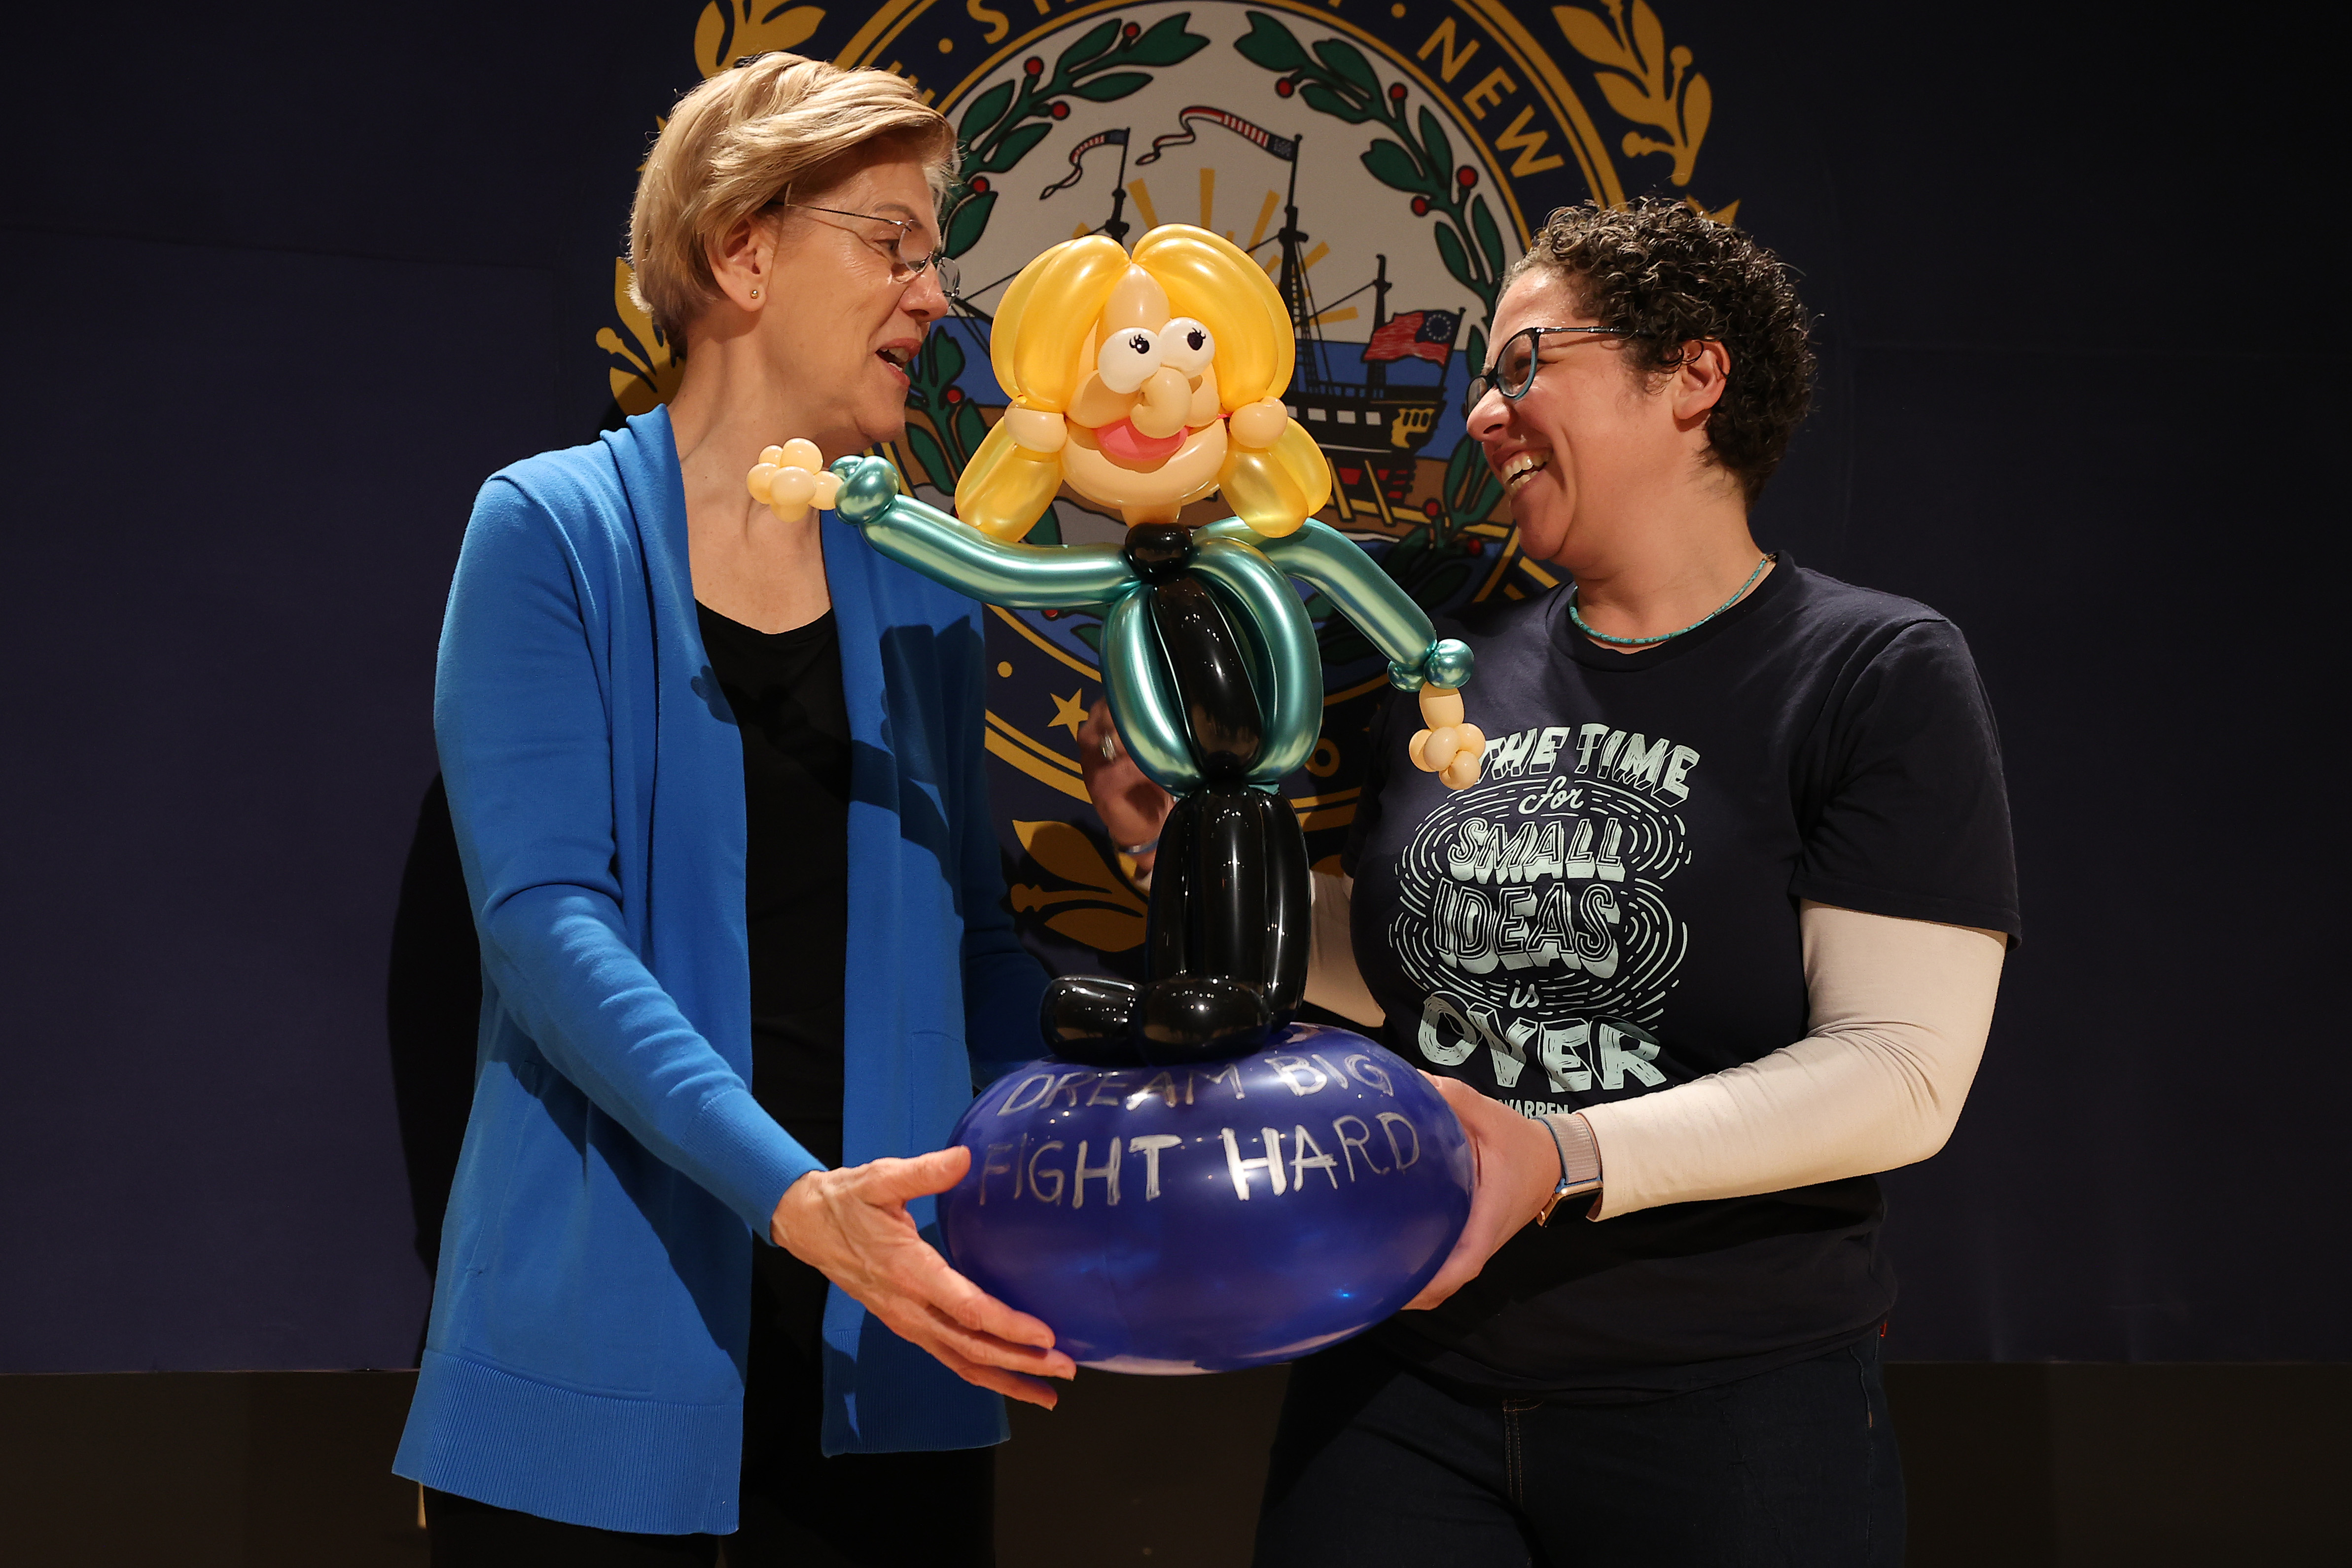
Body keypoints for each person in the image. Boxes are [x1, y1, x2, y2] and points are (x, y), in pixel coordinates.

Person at [1078, 197, 2017, 1566]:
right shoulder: (1441, 661)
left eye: (1525, 364)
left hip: (1728, 1402)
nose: (1480, 416)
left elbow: (1901, 1068)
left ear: (1692, 378)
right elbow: (1399, 973)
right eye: (1482, 379)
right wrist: (1177, 838)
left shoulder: (1870, 671)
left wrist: (1566, 1156)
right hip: (1404, 1379)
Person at [392, 54, 1071, 1566]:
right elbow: (543, 927)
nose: (934, 295)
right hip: (600, 1349)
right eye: (892, 240)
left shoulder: (934, 577)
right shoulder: (547, 527)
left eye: (934, 252)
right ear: (740, 249)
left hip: (890, 1343)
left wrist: (1096, 1099)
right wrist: (798, 1200)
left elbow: (974, 937)